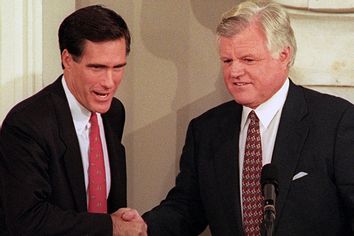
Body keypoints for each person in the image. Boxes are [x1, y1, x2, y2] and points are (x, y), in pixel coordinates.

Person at [142, 0, 354, 235]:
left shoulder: (336, 122)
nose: (234, 72)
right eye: (227, 61)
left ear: (284, 55)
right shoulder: (206, 130)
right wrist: (139, 228)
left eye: (248, 59)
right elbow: (186, 209)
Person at [0, 5, 146, 236]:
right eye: (97, 67)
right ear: (67, 59)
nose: (109, 82)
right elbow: (27, 219)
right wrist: (111, 227)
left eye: (118, 67)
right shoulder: (26, 124)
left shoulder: (114, 112)